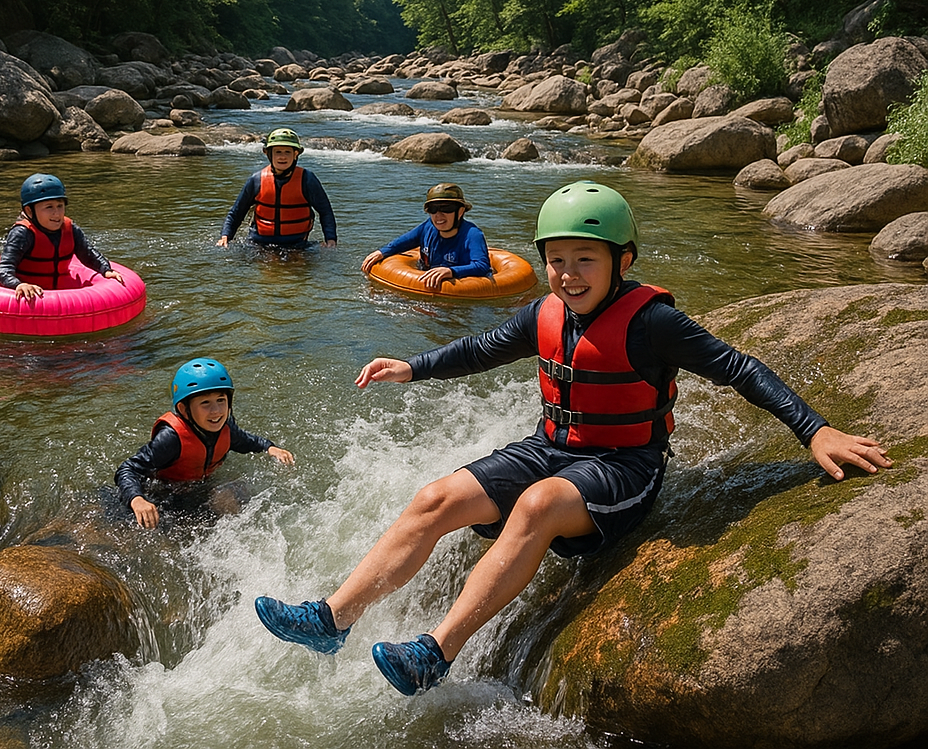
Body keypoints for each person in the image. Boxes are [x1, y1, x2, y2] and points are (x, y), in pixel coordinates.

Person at [254, 180, 893, 696]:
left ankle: (433, 654)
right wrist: (412, 366)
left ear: (624, 260)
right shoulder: (545, 312)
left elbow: (740, 369)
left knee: (536, 506)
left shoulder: (655, 323)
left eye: (584, 259)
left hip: (623, 467)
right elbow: (483, 348)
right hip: (552, 448)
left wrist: (816, 430)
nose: (567, 274)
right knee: (434, 499)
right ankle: (333, 619)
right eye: (555, 261)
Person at [115, 358, 294, 528]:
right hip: (166, 495)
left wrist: (270, 447)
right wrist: (137, 499)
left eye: (221, 401)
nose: (216, 411)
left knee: (230, 495)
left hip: (200, 488)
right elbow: (128, 469)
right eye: (205, 403)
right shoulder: (171, 438)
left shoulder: (227, 428)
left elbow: (249, 442)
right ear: (184, 409)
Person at [0, 173, 125, 306]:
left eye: (60, 206)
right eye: (49, 207)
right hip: (31, 300)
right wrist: (18, 285)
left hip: (62, 292)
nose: (56, 213)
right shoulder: (22, 233)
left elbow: (88, 253)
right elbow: (3, 270)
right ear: (29, 211)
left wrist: (106, 270)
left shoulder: (70, 228)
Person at [216, 128, 337, 249]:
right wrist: (226, 236)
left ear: (296, 154)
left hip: (297, 244)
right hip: (258, 244)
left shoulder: (308, 180)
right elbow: (237, 212)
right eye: (278, 152)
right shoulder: (256, 180)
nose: (282, 157)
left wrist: (330, 239)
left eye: (287, 152)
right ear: (268, 153)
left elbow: (325, 211)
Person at [361, 183, 491, 291]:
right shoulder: (428, 227)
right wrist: (382, 252)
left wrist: (451, 271)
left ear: (460, 211)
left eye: (446, 208)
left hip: (461, 290)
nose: (438, 215)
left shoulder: (473, 235)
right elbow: (403, 242)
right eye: (432, 209)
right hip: (425, 285)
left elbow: (482, 265)